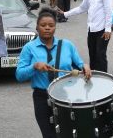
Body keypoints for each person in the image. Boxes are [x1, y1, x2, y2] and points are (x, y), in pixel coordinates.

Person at [16, 8, 91, 138]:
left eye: (51, 25)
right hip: (42, 97)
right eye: (43, 25)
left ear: (55, 28)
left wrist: (85, 66)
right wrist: (34, 66)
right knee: (49, 134)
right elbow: (19, 75)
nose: (47, 28)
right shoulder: (29, 48)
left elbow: (80, 64)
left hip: (66, 96)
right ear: (37, 27)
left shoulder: (67, 45)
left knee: (68, 133)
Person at [57, 0, 113, 72]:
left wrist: (108, 29)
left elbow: (109, 12)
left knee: (100, 55)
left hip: (102, 30)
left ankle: (104, 79)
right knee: (92, 55)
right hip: (91, 30)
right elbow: (81, 8)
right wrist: (65, 13)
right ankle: (93, 77)